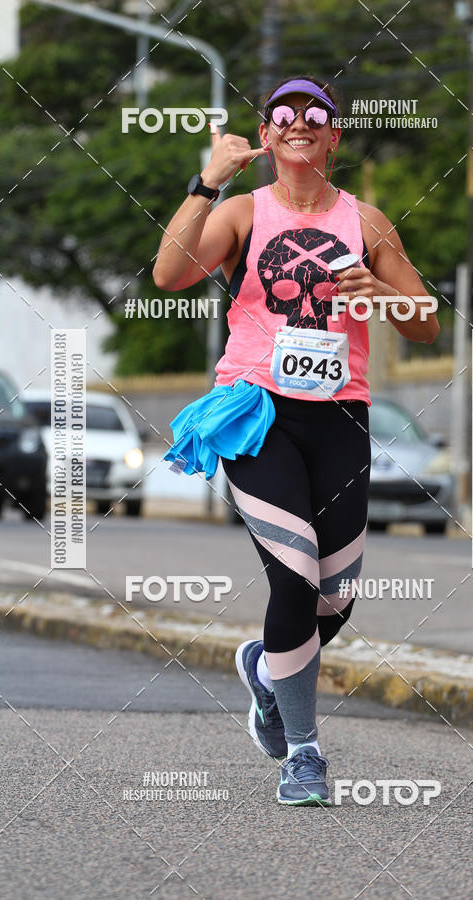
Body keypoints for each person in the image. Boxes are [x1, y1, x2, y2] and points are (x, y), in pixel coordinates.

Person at [153, 75, 439, 806]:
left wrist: (390, 297)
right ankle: (304, 755)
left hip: (341, 416)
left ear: (335, 136)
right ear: (269, 134)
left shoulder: (366, 221)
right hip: (256, 412)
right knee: (297, 572)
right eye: (285, 114)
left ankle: (266, 669)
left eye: (317, 114)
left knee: (336, 599)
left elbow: (426, 323)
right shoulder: (244, 211)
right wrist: (203, 184)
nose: (300, 122)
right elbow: (170, 274)